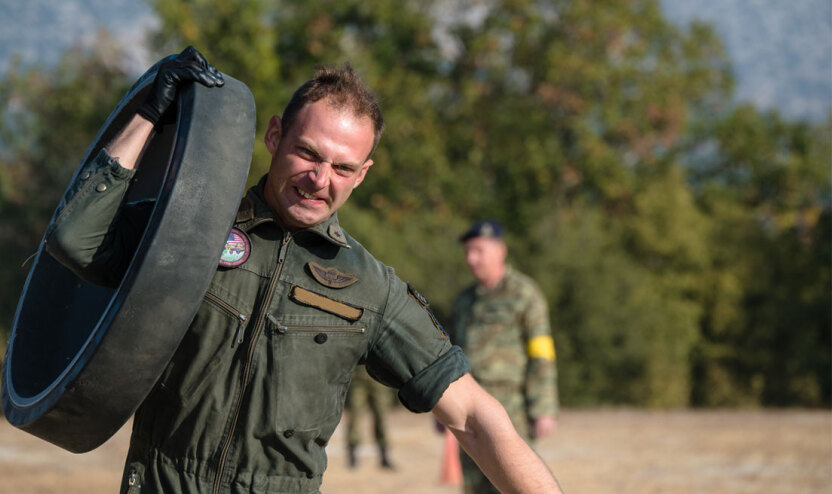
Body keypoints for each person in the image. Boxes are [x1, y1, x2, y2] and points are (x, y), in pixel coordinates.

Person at [46, 46, 561, 494]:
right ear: (274, 136)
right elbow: (76, 238)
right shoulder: (188, 227)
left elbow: (473, 416)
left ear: (362, 175)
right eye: (308, 153)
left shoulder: (371, 288)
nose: (320, 179)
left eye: (342, 168)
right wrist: (148, 113)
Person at [449, 220, 560, 494]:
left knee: (513, 484)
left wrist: (543, 407)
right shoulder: (464, 301)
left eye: (478, 250)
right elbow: (451, 356)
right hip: (469, 408)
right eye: (468, 251)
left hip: (511, 409)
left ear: (500, 251)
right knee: (474, 485)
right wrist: (444, 403)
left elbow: (541, 354)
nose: (471, 259)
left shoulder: (524, 294)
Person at [344, 365, 394, 469]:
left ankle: (384, 455)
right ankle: (352, 455)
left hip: (379, 380)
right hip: (358, 380)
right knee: (355, 416)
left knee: (381, 417)